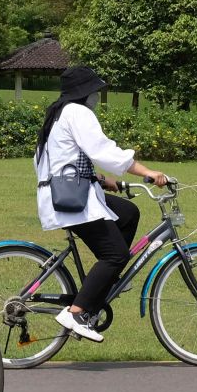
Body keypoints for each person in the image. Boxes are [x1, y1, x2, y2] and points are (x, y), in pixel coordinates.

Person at [34, 66, 168, 342]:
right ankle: (77, 312)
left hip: (67, 191)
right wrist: (147, 172)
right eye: (94, 90)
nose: (96, 96)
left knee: (128, 212)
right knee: (115, 254)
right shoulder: (78, 112)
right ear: (83, 92)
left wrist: (98, 178)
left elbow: (62, 156)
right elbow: (104, 151)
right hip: (71, 199)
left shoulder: (58, 112)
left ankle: (106, 281)